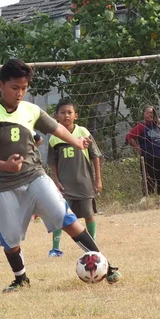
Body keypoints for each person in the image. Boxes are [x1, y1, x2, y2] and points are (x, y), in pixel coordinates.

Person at [0, 59, 121, 292]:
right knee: (9, 241)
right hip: (3, 184)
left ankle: (104, 264)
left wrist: (77, 141)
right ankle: (21, 279)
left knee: (66, 217)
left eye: (24, 88)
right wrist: (4, 165)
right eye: (14, 88)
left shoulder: (31, 110)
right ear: (0, 85)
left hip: (34, 176)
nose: (20, 93)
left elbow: (55, 128)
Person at [47, 99, 102, 258]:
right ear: (56, 116)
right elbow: (53, 162)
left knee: (88, 214)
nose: (66, 116)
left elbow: (95, 156)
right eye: (62, 113)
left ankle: (92, 246)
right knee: (60, 215)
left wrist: (97, 179)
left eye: (69, 112)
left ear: (76, 115)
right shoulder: (54, 137)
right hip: (65, 185)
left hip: (84, 183)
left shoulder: (84, 132)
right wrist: (56, 181)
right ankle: (55, 249)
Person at [126, 105, 160, 196]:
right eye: (147, 113)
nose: (149, 115)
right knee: (149, 181)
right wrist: (137, 148)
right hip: (149, 158)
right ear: (144, 114)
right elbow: (129, 137)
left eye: (151, 113)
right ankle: (148, 200)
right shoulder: (141, 126)